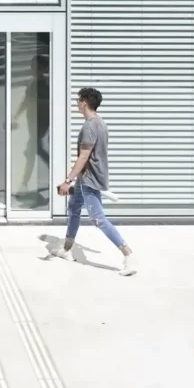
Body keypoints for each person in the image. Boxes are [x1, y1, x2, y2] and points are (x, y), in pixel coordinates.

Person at [53, 86, 136, 277]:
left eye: (78, 100)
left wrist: (67, 181)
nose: (76, 103)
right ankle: (66, 250)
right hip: (85, 178)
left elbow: (84, 157)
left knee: (98, 219)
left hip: (89, 179)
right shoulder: (100, 123)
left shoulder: (89, 126)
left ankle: (127, 254)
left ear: (84, 102)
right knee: (73, 209)